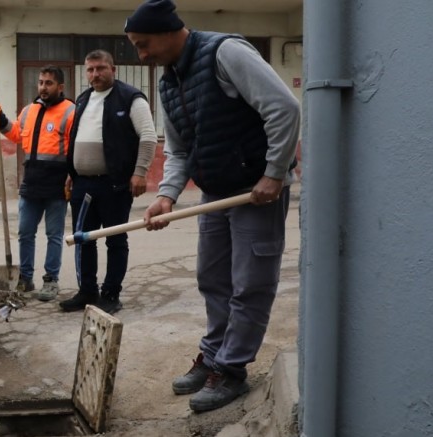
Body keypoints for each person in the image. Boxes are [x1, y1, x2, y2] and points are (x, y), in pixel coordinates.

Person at [126, 0, 301, 413]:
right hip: (214, 194)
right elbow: (180, 149)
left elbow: (284, 108)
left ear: (170, 32)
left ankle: (233, 369)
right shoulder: (170, 82)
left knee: (250, 283)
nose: (142, 55)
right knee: (212, 278)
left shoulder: (226, 53)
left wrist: (274, 172)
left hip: (256, 192)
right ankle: (214, 356)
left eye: (144, 44)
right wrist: (166, 196)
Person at [60, 50, 158, 315]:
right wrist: (73, 172)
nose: (95, 74)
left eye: (101, 68)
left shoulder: (130, 98)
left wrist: (140, 172)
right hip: (82, 185)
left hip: (114, 185)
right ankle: (87, 290)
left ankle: (111, 293)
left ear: (113, 69)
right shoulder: (82, 99)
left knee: (115, 240)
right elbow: (78, 139)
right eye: (90, 69)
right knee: (84, 240)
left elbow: (148, 137)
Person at [0, 66, 75, 302]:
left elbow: (75, 149)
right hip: (32, 183)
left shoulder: (70, 112)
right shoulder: (29, 111)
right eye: (40, 82)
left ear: (60, 87)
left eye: (48, 83)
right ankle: (25, 278)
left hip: (58, 185)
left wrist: (73, 177)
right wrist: (0, 119)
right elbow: (16, 134)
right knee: (25, 233)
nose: (43, 87)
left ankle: (51, 280)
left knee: (54, 235)